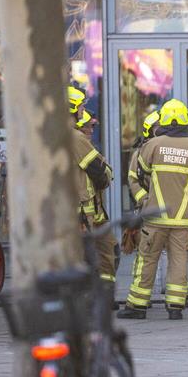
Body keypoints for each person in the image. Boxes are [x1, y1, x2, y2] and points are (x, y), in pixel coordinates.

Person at [118, 99, 188, 321]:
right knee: (178, 262)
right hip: (183, 218)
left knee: (148, 259)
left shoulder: (152, 146)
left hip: (155, 217)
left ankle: (137, 306)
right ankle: (175, 306)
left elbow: (143, 170)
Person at [67, 88, 117, 291]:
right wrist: (106, 173)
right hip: (82, 211)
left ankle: (105, 293)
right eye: (81, 106)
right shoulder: (74, 138)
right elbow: (97, 169)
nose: (83, 109)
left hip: (92, 209)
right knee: (86, 256)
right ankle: (92, 296)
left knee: (107, 248)